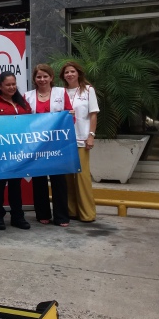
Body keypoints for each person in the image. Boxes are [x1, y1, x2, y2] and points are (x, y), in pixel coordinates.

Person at [24, 64, 73, 227]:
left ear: (51, 78)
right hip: (37, 145)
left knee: (59, 180)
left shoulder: (61, 92)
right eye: (39, 77)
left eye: (45, 76)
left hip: (57, 144)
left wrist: (69, 115)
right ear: (34, 79)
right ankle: (42, 213)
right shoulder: (28, 96)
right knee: (39, 180)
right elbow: (24, 121)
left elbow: (69, 115)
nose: (42, 79)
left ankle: (61, 216)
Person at [0, 71, 32, 231]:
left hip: (19, 151)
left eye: (14, 84)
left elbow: (32, 122)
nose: (12, 87)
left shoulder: (23, 103)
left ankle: (17, 216)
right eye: (8, 84)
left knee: (15, 185)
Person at [60, 61, 99, 222]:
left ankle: (87, 213)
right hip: (64, 140)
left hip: (82, 138)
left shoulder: (88, 90)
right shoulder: (60, 92)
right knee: (67, 178)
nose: (69, 74)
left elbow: (93, 114)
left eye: (72, 71)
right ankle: (71, 211)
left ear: (78, 73)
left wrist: (91, 135)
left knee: (82, 176)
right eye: (66, 72)